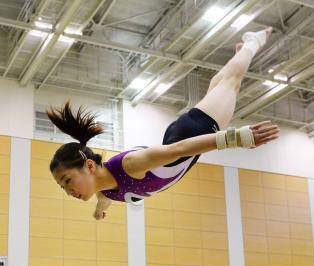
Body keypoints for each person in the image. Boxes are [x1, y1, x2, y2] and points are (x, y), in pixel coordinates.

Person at [47, 28, 279, 217]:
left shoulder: (130, 165)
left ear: (89, 167)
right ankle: (240, 53)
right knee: (221, 87)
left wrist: (237, 138)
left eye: (67, 181)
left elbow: (180, 149)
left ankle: (252, 43)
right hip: (180, 136)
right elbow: (103, 203)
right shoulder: (104, 191)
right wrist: (99, 214)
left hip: (193, 133)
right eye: (63, 187)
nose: (68, 191)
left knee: (231, 82)